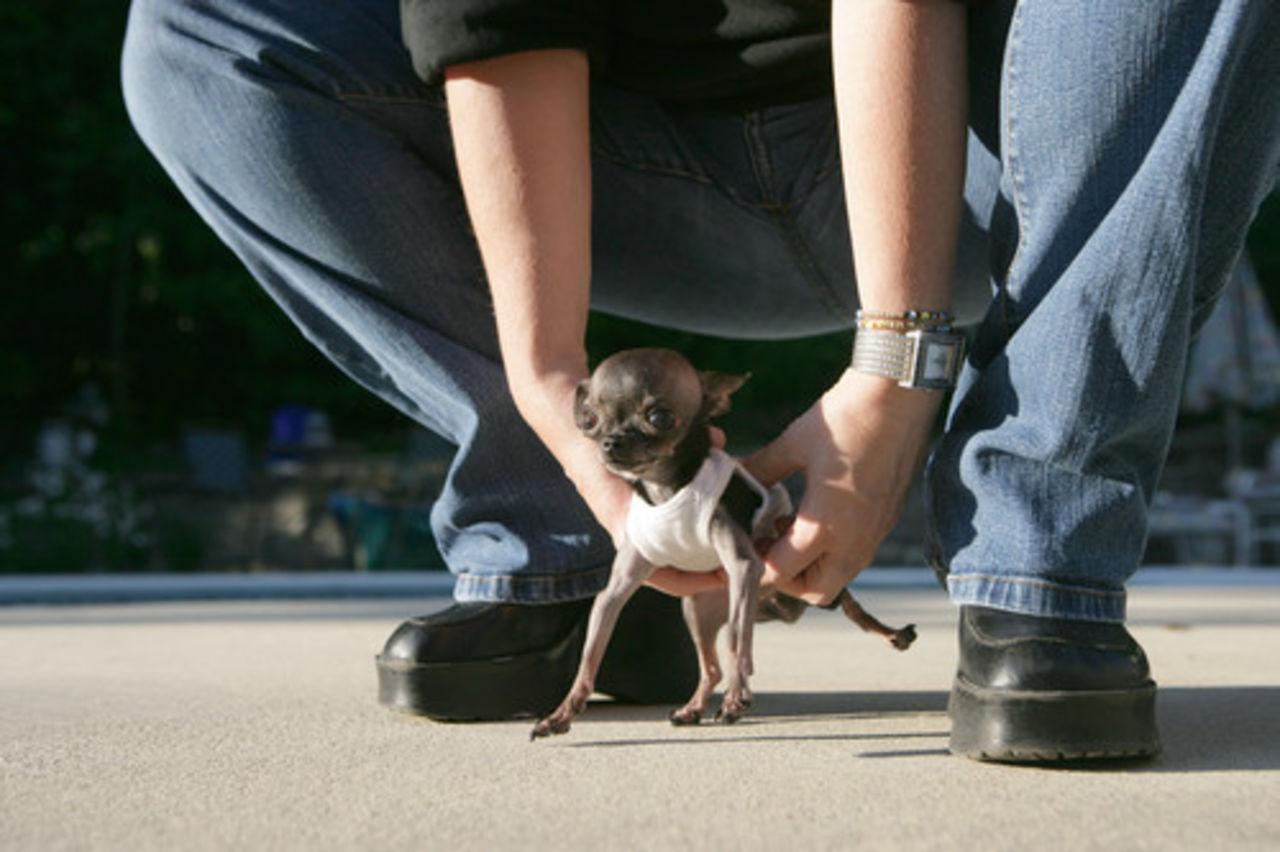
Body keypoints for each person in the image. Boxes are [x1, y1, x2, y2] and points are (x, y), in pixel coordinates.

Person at [121, 0, 1279, 762]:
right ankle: (565, 557)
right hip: (635, 161)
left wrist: (895, 365)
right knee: (198, 34)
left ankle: (1039, 557)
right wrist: (546, 391)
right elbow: (497, 18)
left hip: (993, 145)